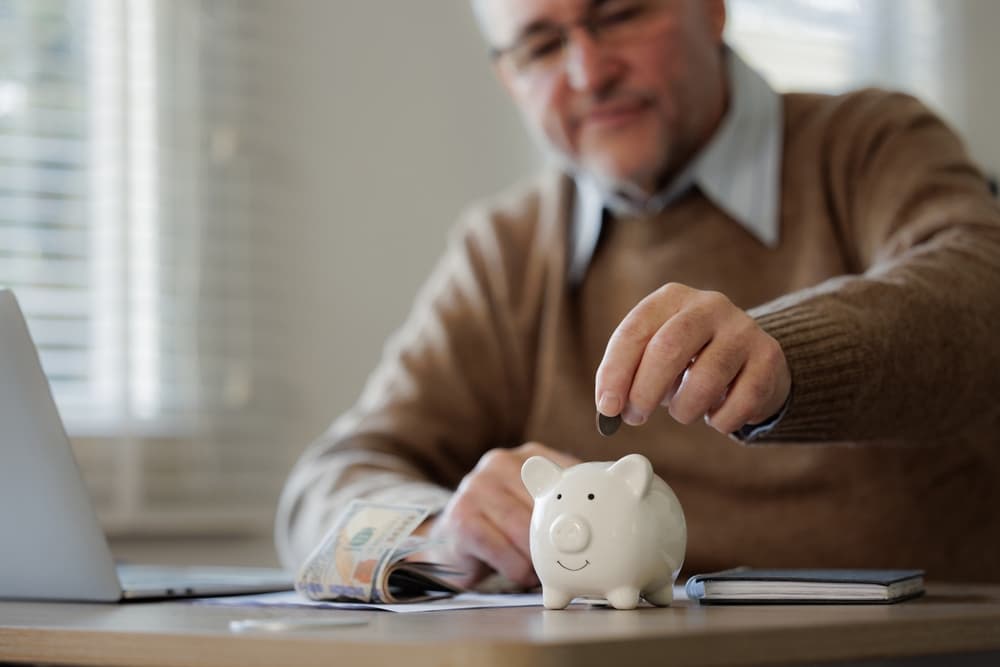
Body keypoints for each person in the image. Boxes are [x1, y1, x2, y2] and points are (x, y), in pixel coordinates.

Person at [276, 0, 1000, 587]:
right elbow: (325, 485)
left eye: (619, 14)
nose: (588, 73)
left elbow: (981, 285)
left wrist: (785, 354)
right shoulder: (507, 252)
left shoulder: (867, 145)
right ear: (509, 77)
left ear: (712, 10)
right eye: (539, 45)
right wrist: (437, 530)